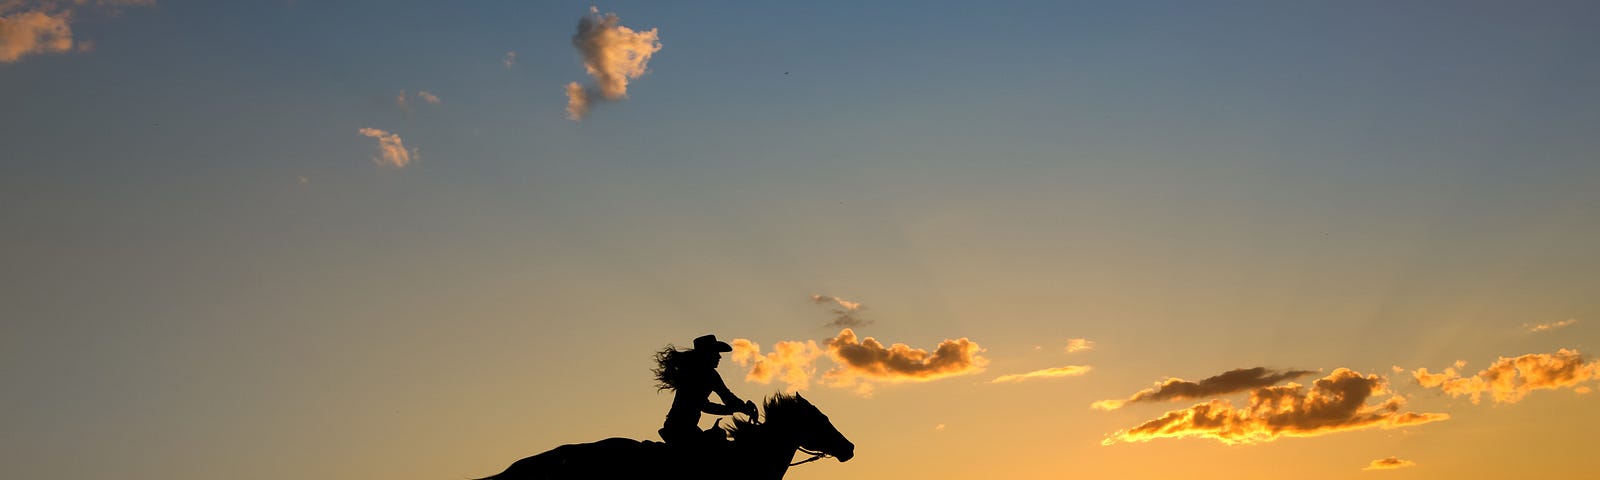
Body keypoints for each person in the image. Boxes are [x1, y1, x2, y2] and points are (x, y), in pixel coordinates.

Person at [653, 334, 758, 448]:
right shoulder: (696, 374)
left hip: (686, 428)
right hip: (679, 430)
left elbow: (727, 396)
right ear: (707, 354)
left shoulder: (710, 374)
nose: (719, 357)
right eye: (716, 353)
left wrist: (743, 407)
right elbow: (704, 405)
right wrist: (736, 409)